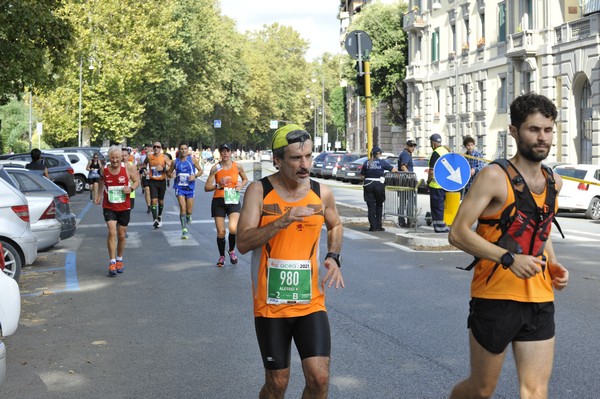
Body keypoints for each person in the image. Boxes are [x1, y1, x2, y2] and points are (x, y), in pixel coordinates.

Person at [448, 93, 569, 399]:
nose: (542, 138)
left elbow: (541, 232)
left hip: (540, 299)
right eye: (533, 129)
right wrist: (508, 258)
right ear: (514, 131)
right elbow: (458, 233)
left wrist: (553, 265)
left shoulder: (554, 182)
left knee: (536, 391)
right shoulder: (493, 176)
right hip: (495, 297)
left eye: (548, 130)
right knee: (481, 389)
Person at [237, 124, 345, 399]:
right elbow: (243, 242)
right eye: (296, 158)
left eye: (308, 156)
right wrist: (281, 221)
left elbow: (335, 225)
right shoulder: (259, 191)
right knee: (278, 384)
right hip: (270, 305)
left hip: (310, 302)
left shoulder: (322, 193)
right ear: (278, 160)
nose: (305, 164)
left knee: (319, 379)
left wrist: (333, 257)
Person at [94, 145, 139, 276]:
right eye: (112, 158)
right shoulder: (105, 169)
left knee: (121, 234)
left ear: (121, 158)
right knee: (112, 232)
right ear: (109, 158)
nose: (114, 161)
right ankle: (112, 262)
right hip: (109, 206)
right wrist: (99, 194)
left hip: (124, 206)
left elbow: (136, 181)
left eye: (117, 158)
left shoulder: (128, 168)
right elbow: (101, 180)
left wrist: (131, 189)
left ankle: (120, 259)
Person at [204, 143, 248, 267]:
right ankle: (222, 256)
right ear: (220, 153)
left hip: (233, 199)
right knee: (221, 232)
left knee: (233, 228)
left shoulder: (237, 166)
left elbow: (245, 179)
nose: (225, 153)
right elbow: (206, 187)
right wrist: (218, 185)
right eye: (223, 151)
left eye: (227, 151)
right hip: (219, 201)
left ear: (231, 153)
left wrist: (241, 185)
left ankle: (232, 250)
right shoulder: (215, 168)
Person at [167, 142, 203, 239]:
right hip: (179, 187)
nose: (183, 150)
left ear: (188, 150)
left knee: (189, 210)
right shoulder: (175, 162)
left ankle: (188, 215)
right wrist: (171, 175)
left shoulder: (192, 160)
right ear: (179, 150)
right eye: (181, 149)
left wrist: (194, 176)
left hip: (190, 187)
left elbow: (200, 171)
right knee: (182, 208)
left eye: (185, 149)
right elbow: (169, 172)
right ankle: (184, 230)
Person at [360, 146, 397, 231]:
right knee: (379, 205)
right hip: (379, 185)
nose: (381, 154)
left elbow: (362, 176)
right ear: (378, 154)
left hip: (368, 185)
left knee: (371, 206)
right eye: (380, 153)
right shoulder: (382, 162)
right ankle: (378, 225)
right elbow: (394, 170)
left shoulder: (367, 162)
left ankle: (373, 226)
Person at [143, 141, 170, 228]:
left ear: (161, 148)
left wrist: (163, 168)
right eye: (154, 147)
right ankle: (155, 220)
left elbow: (171, 167)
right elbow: (144, 164)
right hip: (153, 181)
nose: (156, 148)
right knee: (154, 200)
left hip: (162, 181)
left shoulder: (164, 157)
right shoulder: (149, 157)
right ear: (152, 148)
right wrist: (144, 170)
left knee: (160, 201)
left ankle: (159, 215)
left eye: (158, 147)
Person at [426, 133, 450, 233]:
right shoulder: (445, 151)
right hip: (445, 183)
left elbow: (431, 171)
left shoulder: (436, 153)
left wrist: (428, 181)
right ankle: (441, 225)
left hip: (436, 184)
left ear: (433, 143)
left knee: (436, 206)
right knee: (441, 206)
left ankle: (439, 227)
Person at [139, 143, 153, 214]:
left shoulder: (155, 156)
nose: (146, 148)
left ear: (151, 148)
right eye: (146, 147)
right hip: (145, 176)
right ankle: (149, 206)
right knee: (147, 190)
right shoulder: (142, 156)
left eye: (148, 147)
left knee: (152, 192)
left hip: (154, 176)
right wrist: (143, 171)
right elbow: (141, 166)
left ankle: (153, 204)